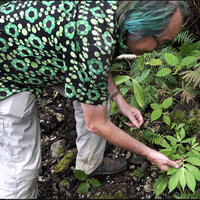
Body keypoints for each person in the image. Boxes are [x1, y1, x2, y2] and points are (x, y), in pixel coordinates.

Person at [0, 1, 190, 198]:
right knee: (20, 168)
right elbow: (96, 123)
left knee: (98, 99)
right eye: (159, 42)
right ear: (140, 26)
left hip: (42, 53)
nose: (157, 50)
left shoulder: (113, 13)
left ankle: (90, 165)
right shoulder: (94, 40)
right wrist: (149, 153)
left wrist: (119, 100)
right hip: (7, 70)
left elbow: (94, 64)